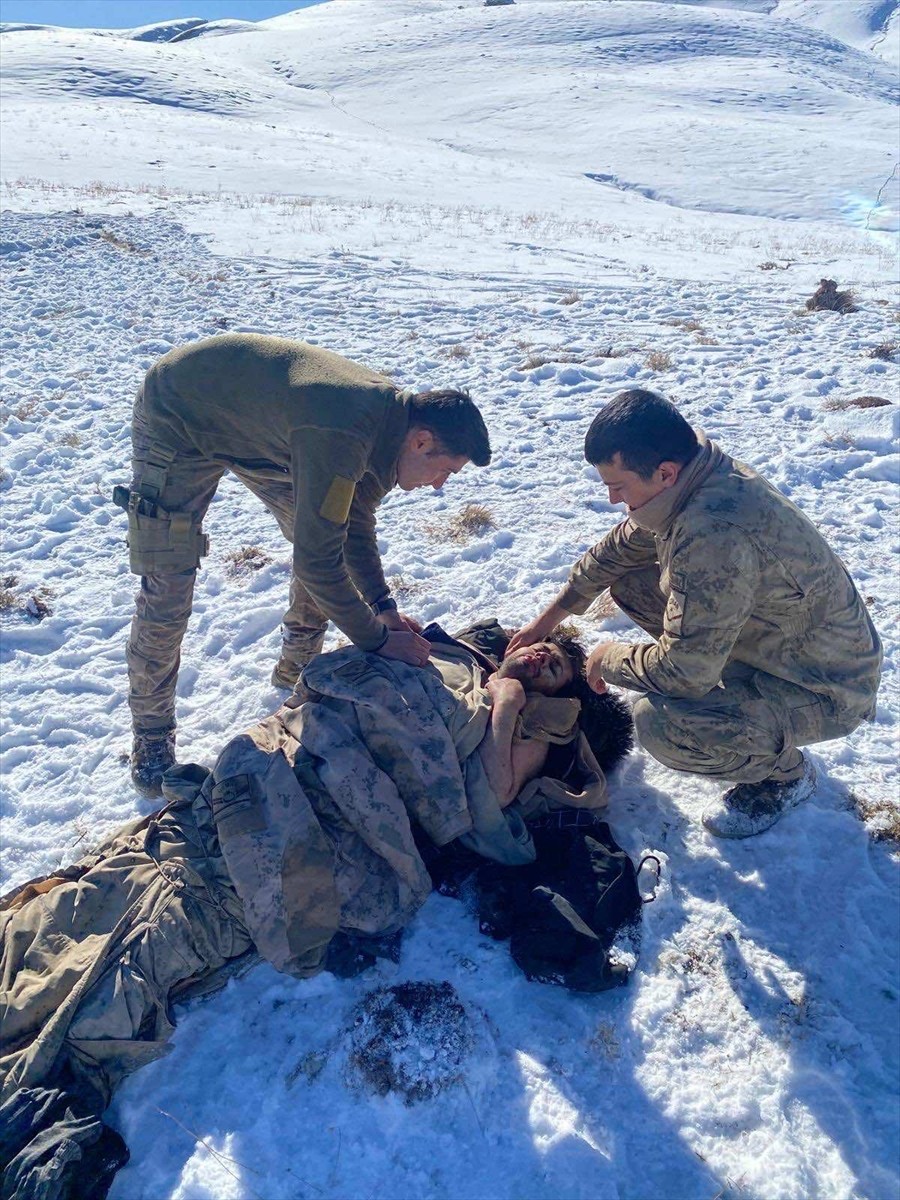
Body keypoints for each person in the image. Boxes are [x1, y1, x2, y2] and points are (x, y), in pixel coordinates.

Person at [0, 625, 632, 1199]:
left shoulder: (531, 725)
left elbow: (486, 799)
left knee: (149, 938)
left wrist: (510, 699)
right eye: (547, 648)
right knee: (81, 901)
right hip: (270, 760)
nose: (543, 658)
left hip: (312, 819)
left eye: (556, 669)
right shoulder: (455, 657)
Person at [114, 333, 491, 797]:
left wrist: (383, 607)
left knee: (321, 534)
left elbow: (352, 526)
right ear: (421, 441)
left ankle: (298, 668)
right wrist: (375, 640)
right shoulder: (344, 434)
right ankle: (151, 735)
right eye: (446, 470)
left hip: (259, 433)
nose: (438, 485)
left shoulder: (388, 433)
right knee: (168, 583)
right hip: (180, 413)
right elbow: (318, 563)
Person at [507, 388, 882, 838]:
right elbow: (622, 548)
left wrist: (609, 658)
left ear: (664, 472)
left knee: (661, 723)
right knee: (630, 580)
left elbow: (685, 673)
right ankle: (741, 700)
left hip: (825, 686)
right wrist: (552, 615)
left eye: (618, 486)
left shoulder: (711, 532)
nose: (611, 498)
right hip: (781, 643)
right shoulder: (695, 476)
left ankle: (785, 775)